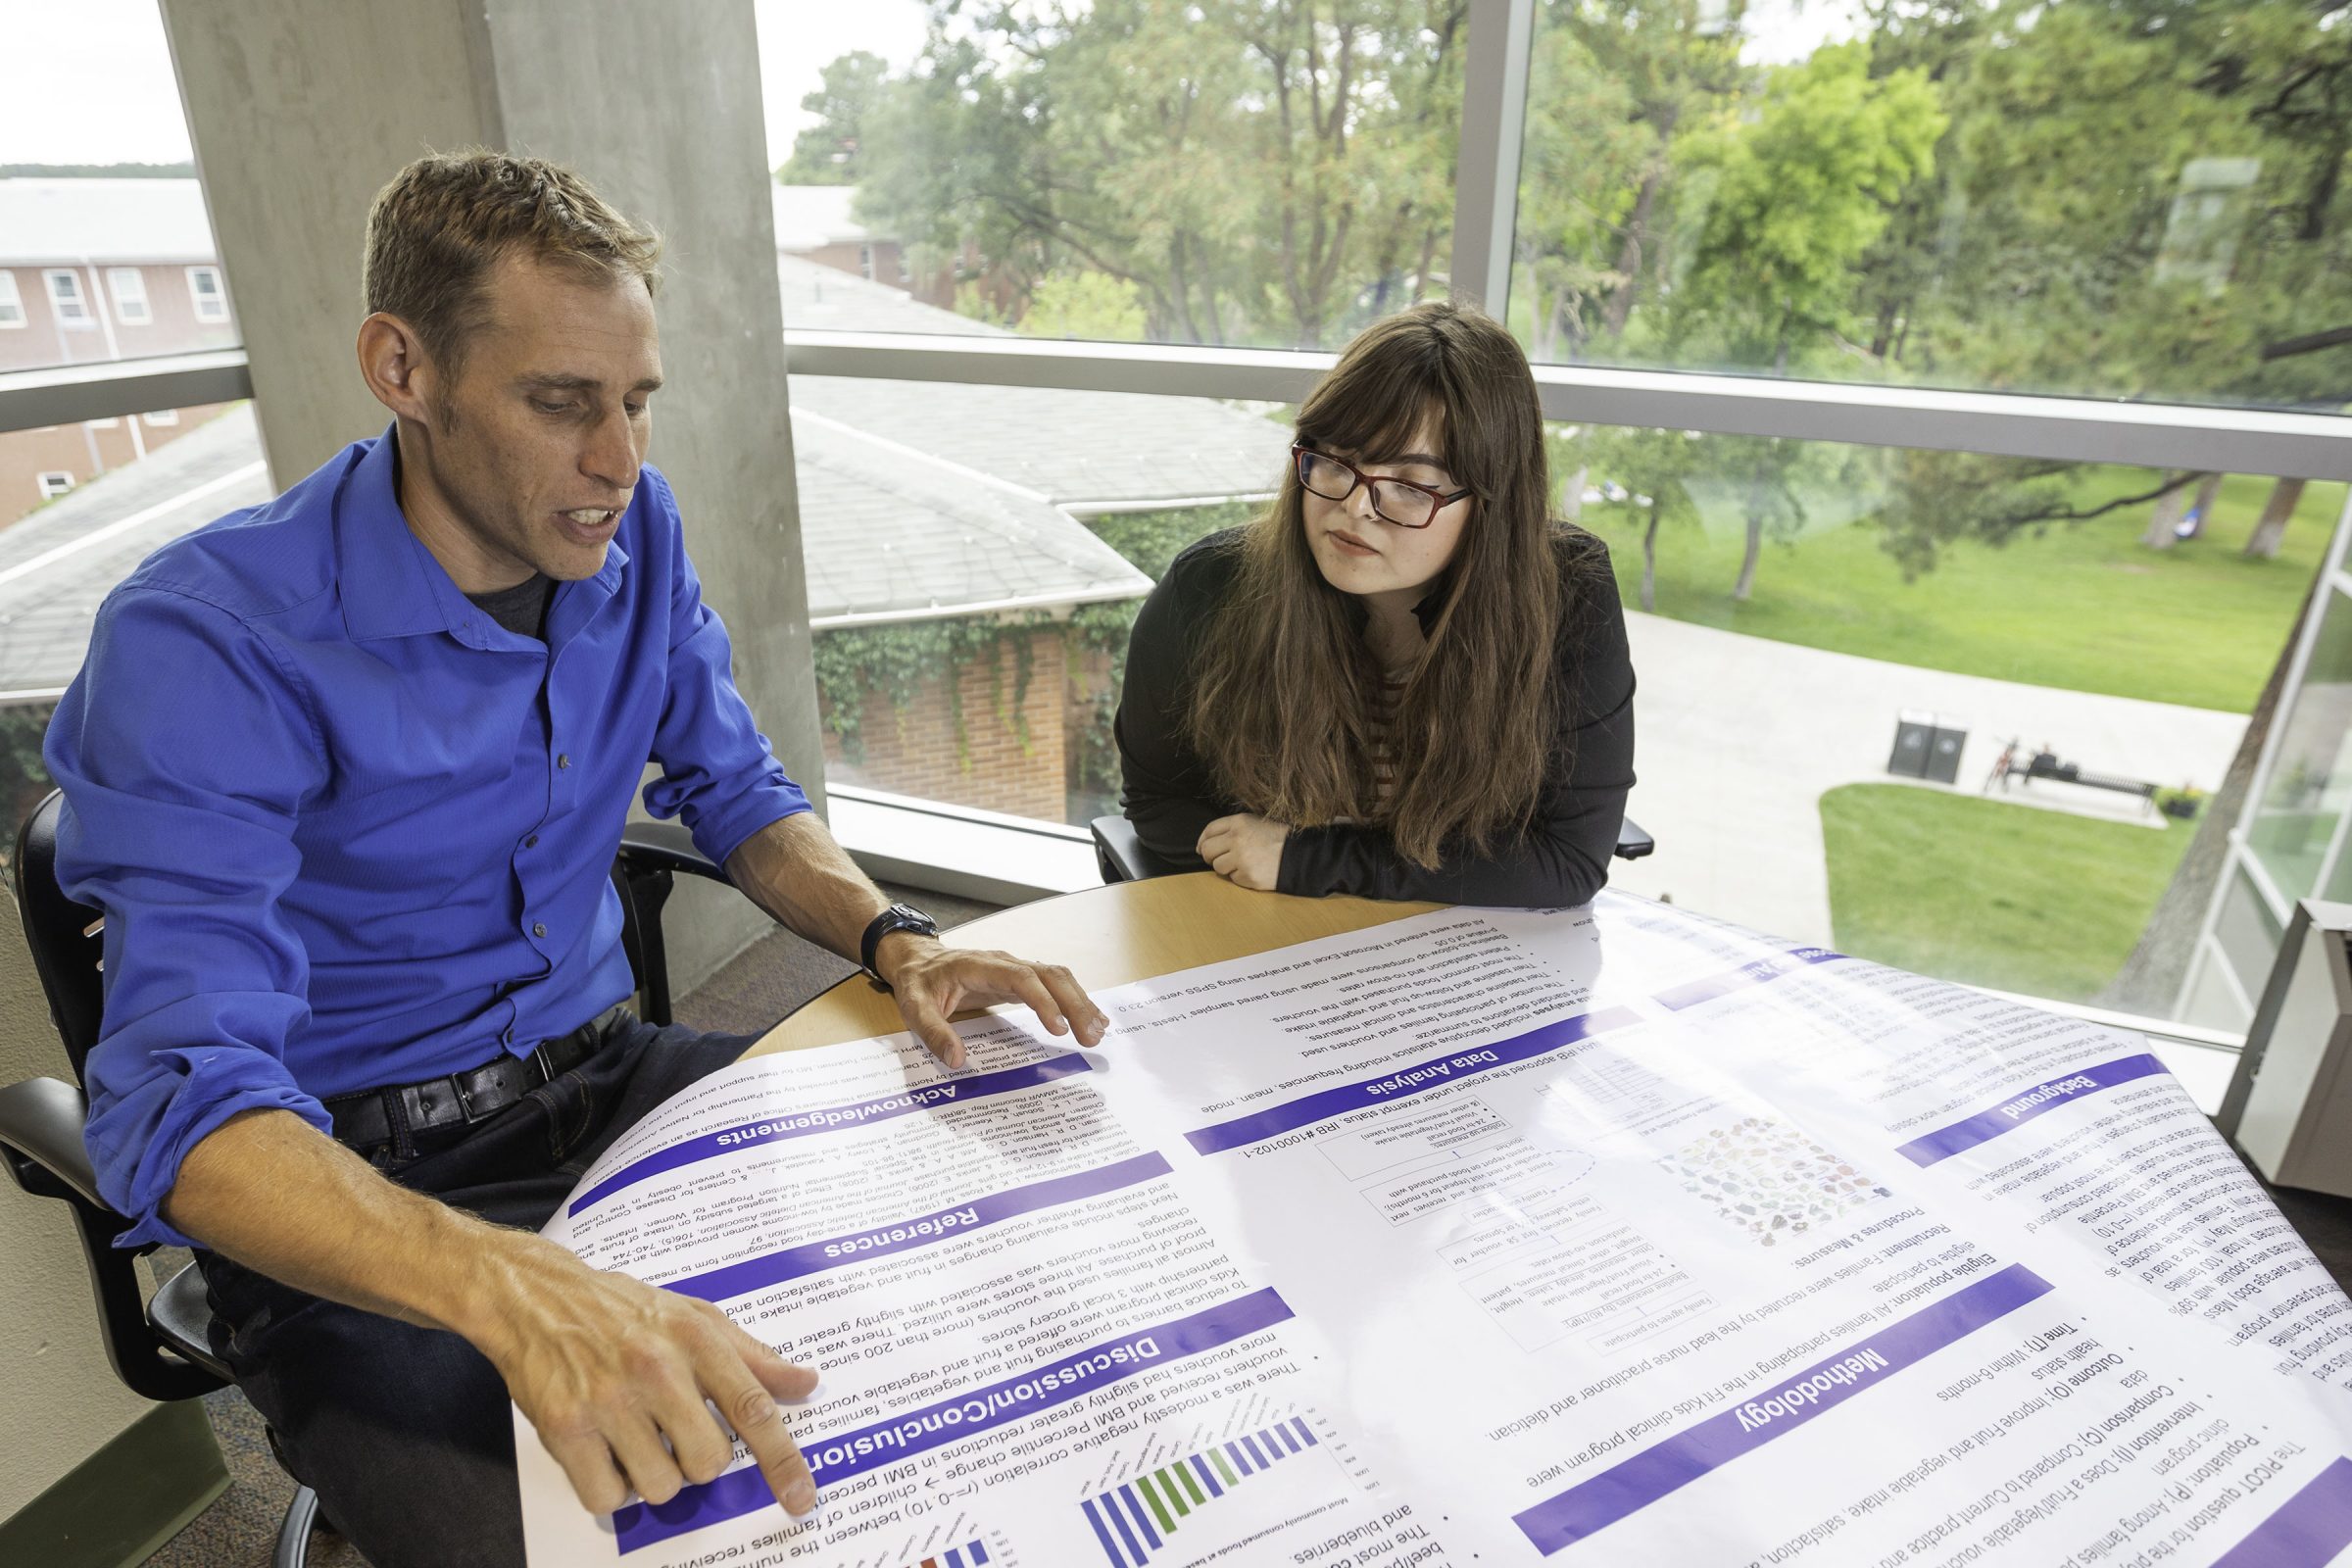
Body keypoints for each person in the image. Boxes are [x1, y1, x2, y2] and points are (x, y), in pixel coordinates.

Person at [43, 153, 1107, 1568]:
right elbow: (178, 1112)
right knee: (598, 1541)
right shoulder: (205, 643)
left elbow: (737, 789)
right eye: (561, 404)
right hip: (366, 1176)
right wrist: (515, 1286)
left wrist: (897, 938)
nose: (619, 458)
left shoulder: (632, 535)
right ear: (401, 365)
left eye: (636, 401)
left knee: (989, 1267)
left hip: (618, 1083)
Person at [1115, 302, 1636, 906]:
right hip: (1265, 927)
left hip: (1462, 953)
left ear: (1493, 505)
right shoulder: (1209, 587)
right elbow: (1156, 802)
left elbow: (1569, 860)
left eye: (1410, 486)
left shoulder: (1569, 592)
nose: (1354, 507)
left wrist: (1314, 861)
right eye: (1336, 459)